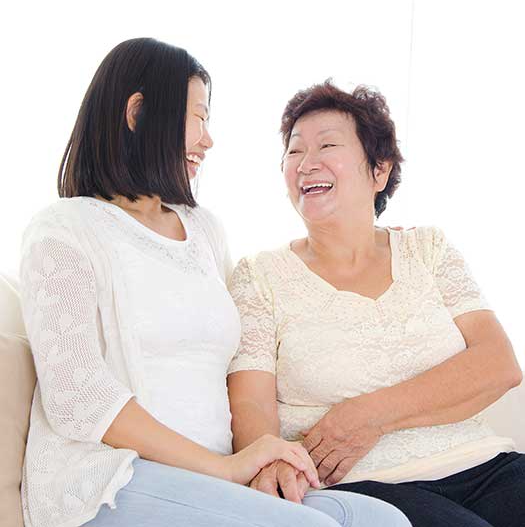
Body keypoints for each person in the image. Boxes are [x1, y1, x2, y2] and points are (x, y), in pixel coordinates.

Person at [19, 40, 412, 527]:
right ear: (138, 113)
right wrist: (222, 469)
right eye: (199, 117)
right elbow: (77, 397)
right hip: (109, 481)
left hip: (211, 481)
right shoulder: (64, 229)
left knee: (381, 520)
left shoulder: (204, 230)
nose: (208, 139)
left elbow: (245, 351)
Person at [227, 80, 524, 527]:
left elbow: (499, 365)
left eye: (327, 144)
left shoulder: (429, 250)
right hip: (362, 486)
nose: (307, 163)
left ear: (379, 171)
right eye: (294, 151)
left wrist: (368, 415)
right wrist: (268, 463)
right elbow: (250, 404)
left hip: (482, 462)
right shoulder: (260, 276)